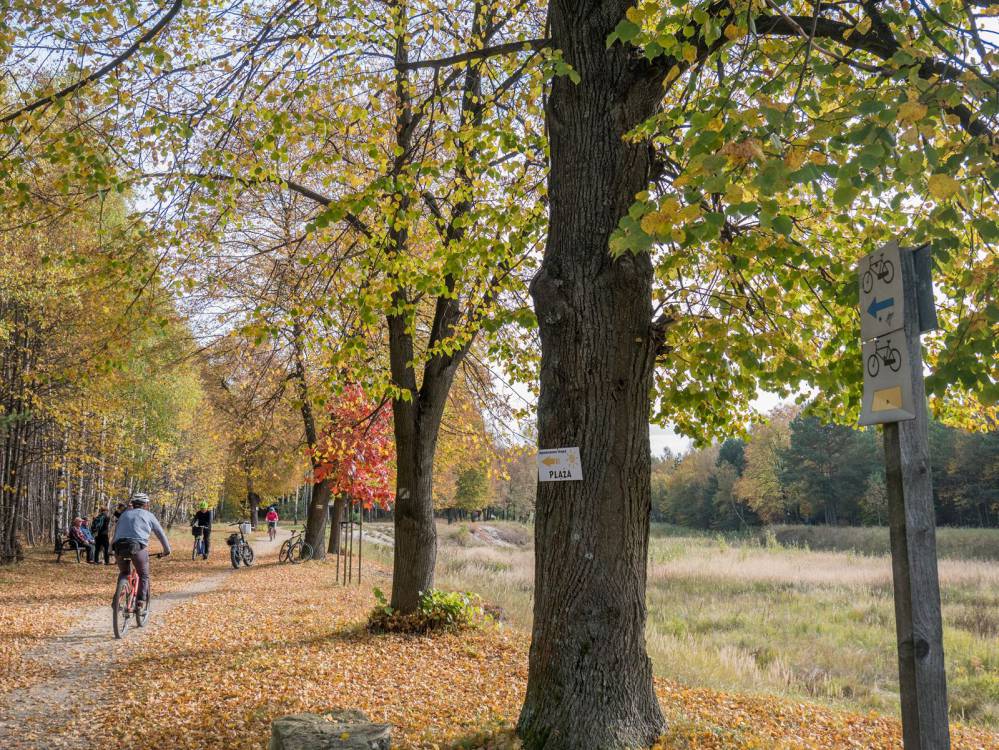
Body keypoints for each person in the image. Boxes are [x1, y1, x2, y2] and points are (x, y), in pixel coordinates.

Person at [111, 493, 171, 611]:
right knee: (143, 574)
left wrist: (109, 550)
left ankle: (116, 601)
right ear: (146, 505)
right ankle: (140, 602)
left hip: (119, 547)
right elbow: (160, 533)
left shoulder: (124, 515)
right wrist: (167, 550)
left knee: (124, 572)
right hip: (137, 547)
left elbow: (115, 534)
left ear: (133, 504)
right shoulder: (149, 515)